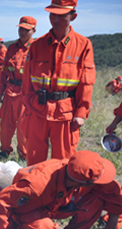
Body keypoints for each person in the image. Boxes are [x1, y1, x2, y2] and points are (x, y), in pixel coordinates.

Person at [0, 150, 122, 229]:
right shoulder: (37, 185)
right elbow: (3, 199)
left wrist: (111, 228)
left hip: (56, 205)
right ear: (85, 183)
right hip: (30, 207)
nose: (101, 182)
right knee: (43, 227)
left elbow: (116, 194)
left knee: (96, 200)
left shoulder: (77, 171)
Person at [21, 0, 95, 166]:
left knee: (63, 162)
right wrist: (27, 103)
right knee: (34, 159)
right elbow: (27, 79)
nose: (55, 18)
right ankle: (33, 190)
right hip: (38, 109)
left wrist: (81, 112)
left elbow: (86, 82)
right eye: (52, 14)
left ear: (73, 16)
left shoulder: (83, 45)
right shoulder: (37, 45)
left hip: (65, 113)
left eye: (61, 15)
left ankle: (58, 192)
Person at [0, 16, 36, 160]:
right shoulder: (12, 48)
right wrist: (0, 91)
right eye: (21, 29)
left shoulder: (36, 48)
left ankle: (23, 155)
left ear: (33, 31)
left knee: (23, 126)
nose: (23, 32)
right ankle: (4, 150)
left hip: (26, 93)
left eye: (27, 30)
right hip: (9, 91)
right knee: (6, 124)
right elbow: (4, 71)